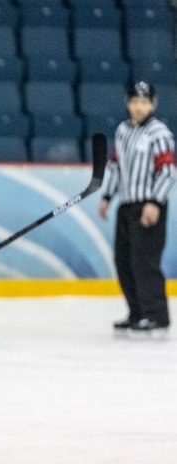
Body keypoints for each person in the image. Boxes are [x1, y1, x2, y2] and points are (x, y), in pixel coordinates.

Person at [98, 80, 173, 337]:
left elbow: (168, 171)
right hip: (126, 205)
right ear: (127, 103)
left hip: (149, 207)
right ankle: (137, 313)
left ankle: (156, 317)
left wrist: (154, 202)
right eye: (134, 101)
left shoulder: (159, 133)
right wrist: (107, 195)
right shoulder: (122, 131)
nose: (139, 107)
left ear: (153, 104)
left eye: (144, 102)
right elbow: (115, 166)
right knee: (124, 261)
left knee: (145, 262)